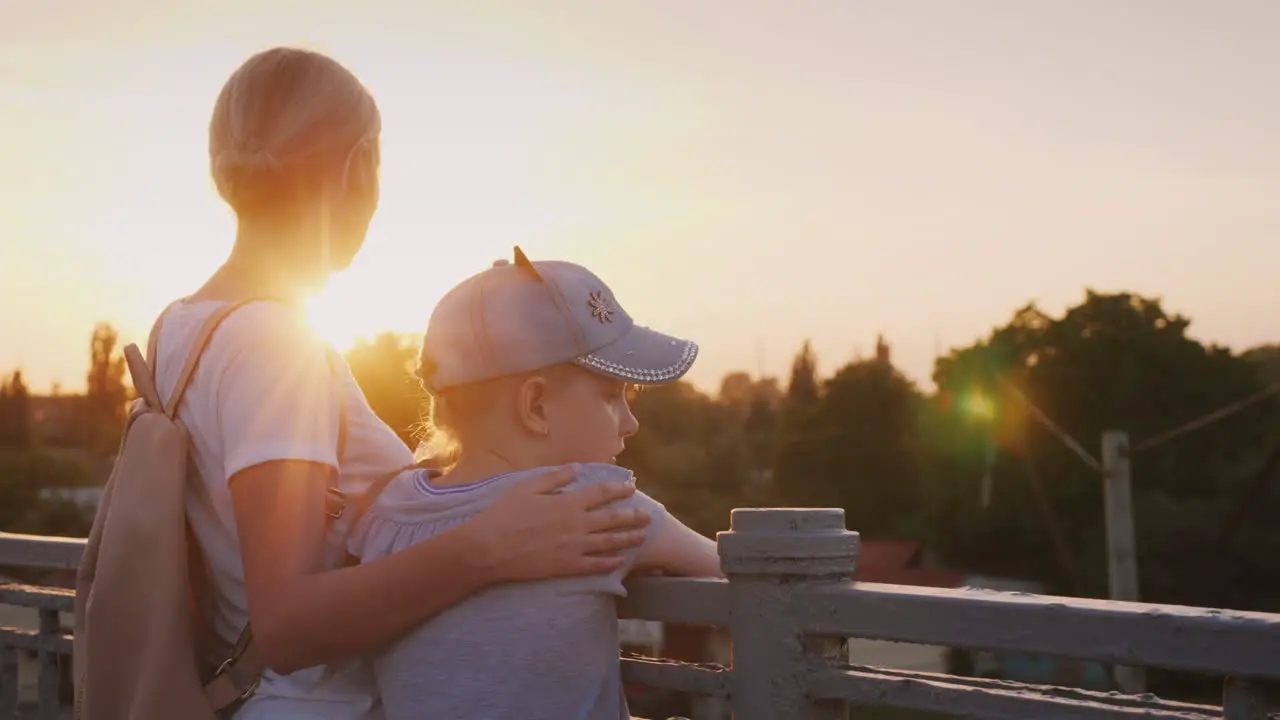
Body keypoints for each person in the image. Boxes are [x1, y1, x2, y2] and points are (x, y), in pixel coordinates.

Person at [157, 47, 650, 719]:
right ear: (359, 165)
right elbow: (287, 624)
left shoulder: (181, 329)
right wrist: (489, 546)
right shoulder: (277, 346)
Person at [348, 248, 725, 720]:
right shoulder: (596, 503)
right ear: (536, 407)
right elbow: (741, 574)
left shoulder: (388, 512)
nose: (630, 423)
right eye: (612, 397)